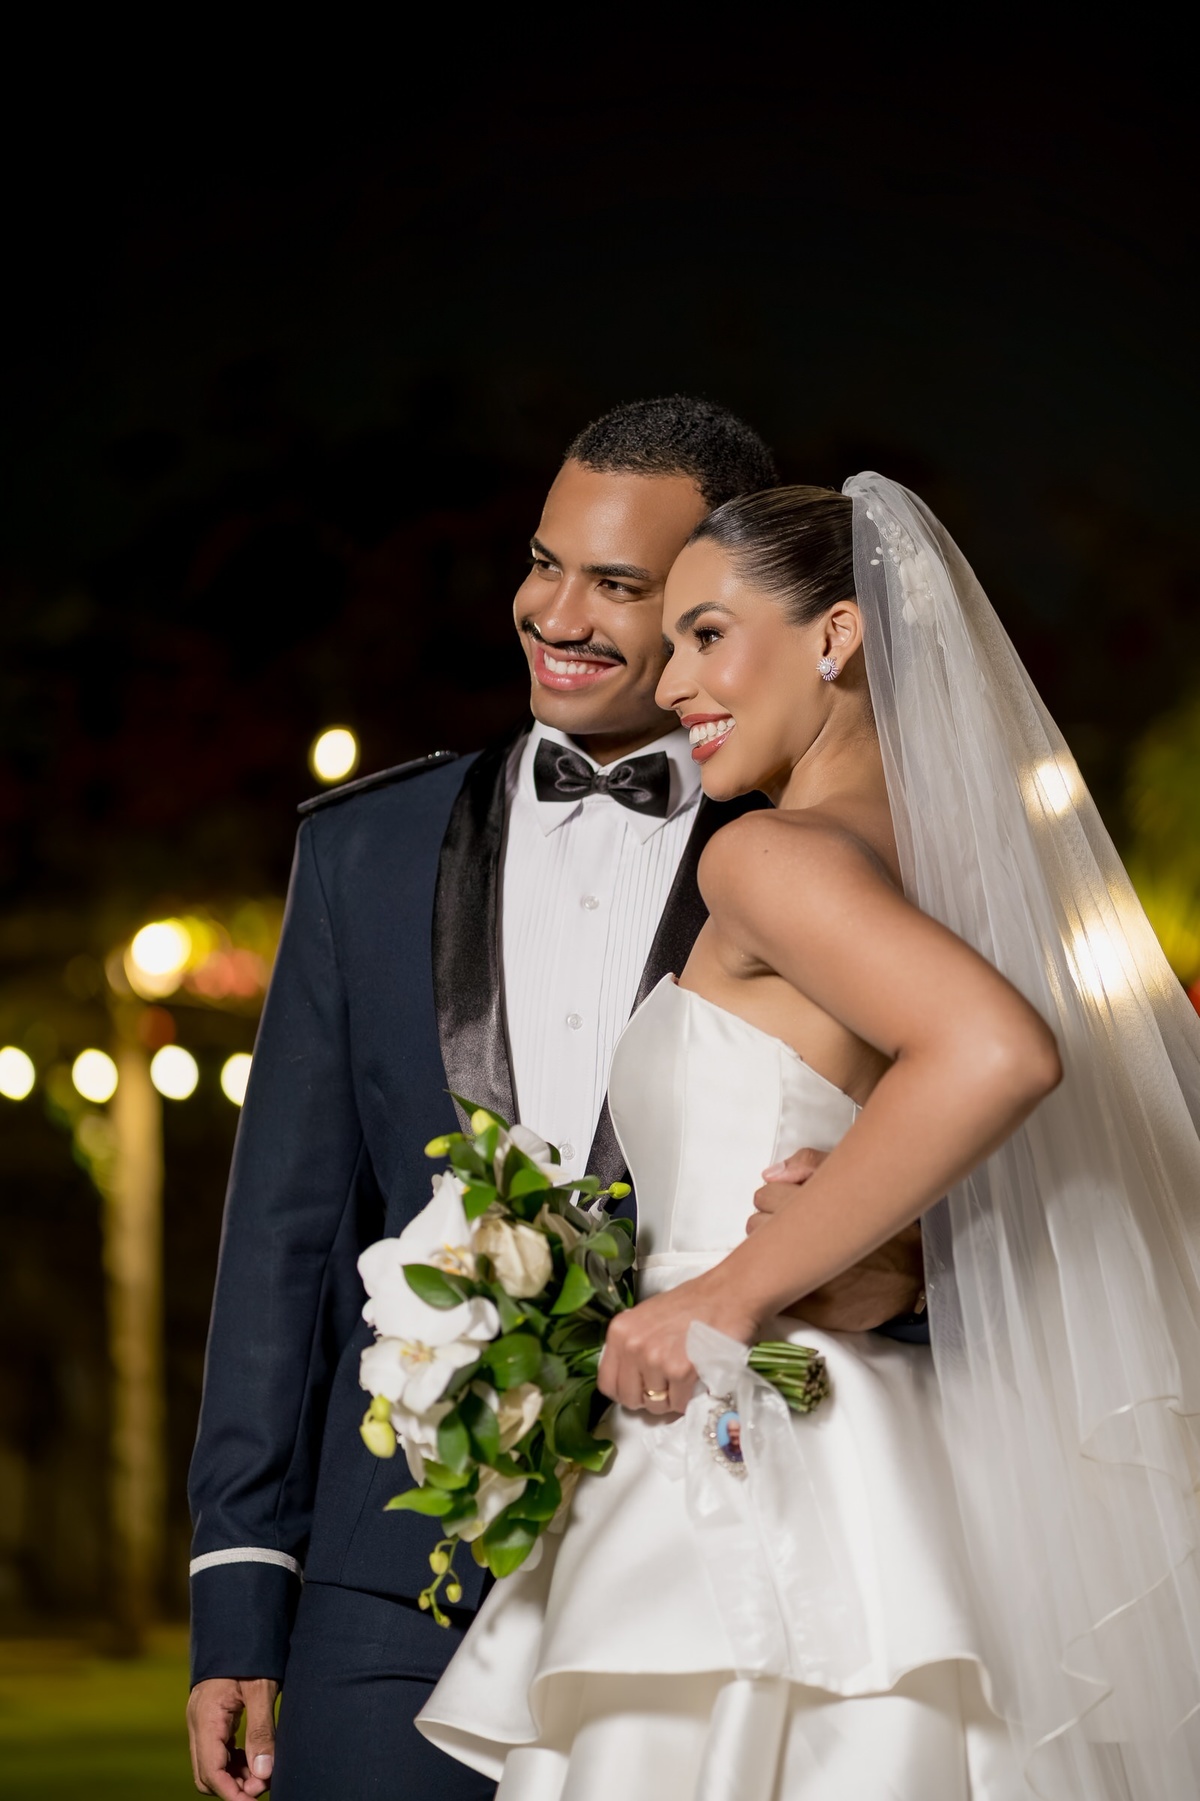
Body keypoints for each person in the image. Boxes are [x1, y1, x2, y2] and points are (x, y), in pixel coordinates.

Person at [417, 478, 1200, 1800]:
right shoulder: (964, 874)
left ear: (836, 635)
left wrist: (725, 1291)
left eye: (707, 636)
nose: (670, 684)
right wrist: (898, 1257)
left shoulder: (765, 857)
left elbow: (996, 1055)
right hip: (909, 1462)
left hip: (750, 1440)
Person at [186, 404, 926, 1800]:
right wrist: (239, 1576)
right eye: (543, 563)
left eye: (621, 587)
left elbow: (981, 1156)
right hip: (396, 1574)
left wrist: (899, 1269)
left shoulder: (817, 846)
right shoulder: (364, 850)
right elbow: (285, 1236)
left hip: (707, 1560)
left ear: (712, 602)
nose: (556, 614)